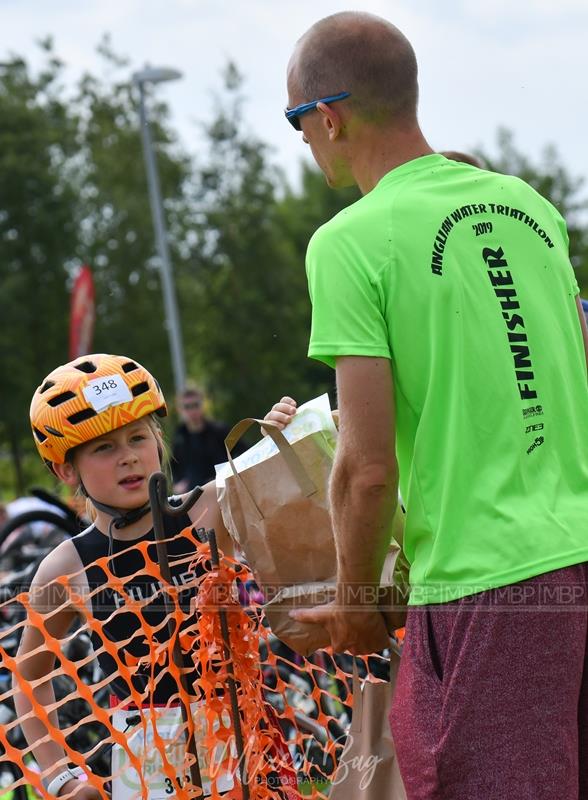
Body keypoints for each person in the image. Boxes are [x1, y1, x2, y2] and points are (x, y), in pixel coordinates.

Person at [280, 11, 588, 800]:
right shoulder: (530, 207)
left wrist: (354, 605)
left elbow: (369, 467)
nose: (304, 141)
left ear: (330, 116)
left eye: (297, 122)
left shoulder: (349, 240)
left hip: (489, 584)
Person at [14, 355, 278, 799]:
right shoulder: (66, 567)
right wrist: (60, 779)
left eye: (138, 437)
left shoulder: (211, 507)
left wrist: (283, 436)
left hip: (240, 736)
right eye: (104, 447)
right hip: (145, 760)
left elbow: (301, 483)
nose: (129, 457)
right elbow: (29, 678)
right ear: (65, 469)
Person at [171, 384, 246, 493]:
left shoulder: (220, 431)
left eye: (195, 405)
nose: (192, 411)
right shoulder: (179, 436)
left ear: (202, 405)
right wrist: (177, 484)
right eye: (187, 406)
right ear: (180, 409)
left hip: (223, 491)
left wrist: (231, 475)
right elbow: (174, 465)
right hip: (193, 497)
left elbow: (243, 452)